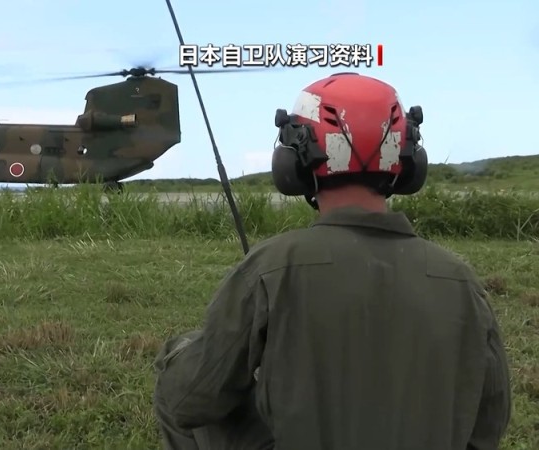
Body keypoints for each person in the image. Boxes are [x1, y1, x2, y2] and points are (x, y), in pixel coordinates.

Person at [152, 72, 511, 450]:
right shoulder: (461, 281)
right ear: (406, 159)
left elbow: (189, 401)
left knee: (178, 369)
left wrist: (181, 358)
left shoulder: (272, 268)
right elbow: (487, 426)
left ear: (296, 161)